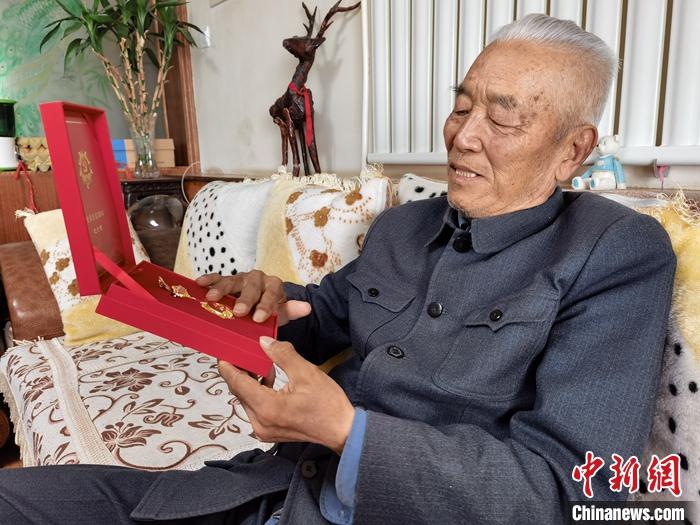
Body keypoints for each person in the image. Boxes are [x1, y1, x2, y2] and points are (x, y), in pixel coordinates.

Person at [0, 13, 675, 525]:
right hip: (270, 487)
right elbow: (324, 311)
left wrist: (348, 432)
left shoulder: (615, 252)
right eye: (462, 106)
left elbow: (577, 491)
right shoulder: (408, 225)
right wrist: (263, 301)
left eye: (502, 120)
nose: (463, 136)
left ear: (572, 151)